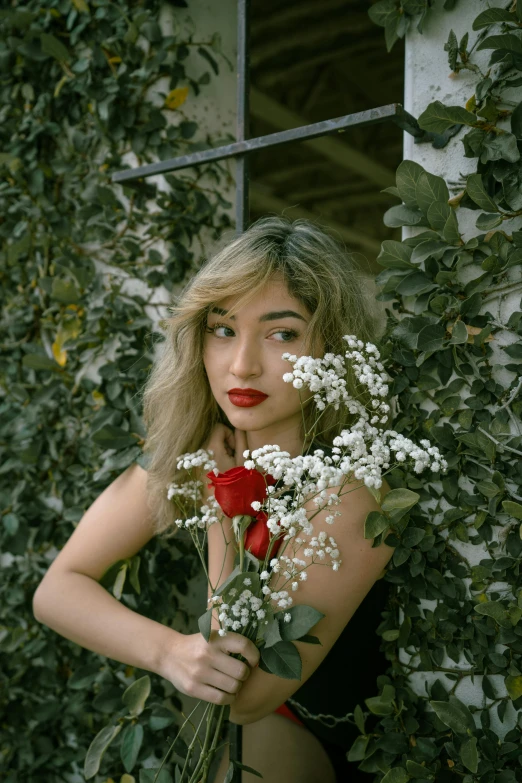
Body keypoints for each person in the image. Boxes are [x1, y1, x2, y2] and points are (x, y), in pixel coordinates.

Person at [32, 215, 395, 783]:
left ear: (332, 346)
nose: (242, 363)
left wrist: (222, 515)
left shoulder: (349, 497)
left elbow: (243, 695)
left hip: (318, 735)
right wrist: (168, 652)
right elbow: (58, 589)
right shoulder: (193, 449)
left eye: (283, 334)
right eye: (222, 329)